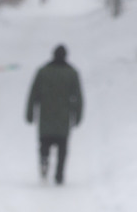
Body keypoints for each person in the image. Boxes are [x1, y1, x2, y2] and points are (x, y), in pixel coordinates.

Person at [26, 45, 83, 184]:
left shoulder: (43, 71)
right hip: (63, 119)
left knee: (44, 143)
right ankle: (59, 175)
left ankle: (44, 160)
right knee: (62, 148)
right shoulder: (72, 73)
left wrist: (30, 113)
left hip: (46, 116)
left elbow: (33, 94)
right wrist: (78, 115)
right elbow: (78, 97)